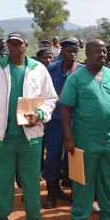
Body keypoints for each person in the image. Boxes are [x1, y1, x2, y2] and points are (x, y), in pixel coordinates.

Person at [0, 31, 58, 220]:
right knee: (2, 182)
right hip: (3, 137)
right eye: (11, 44)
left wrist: (40, 114)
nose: (14, 47)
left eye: (18, 44)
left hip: (30, 137)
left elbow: (50, 98)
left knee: (31, 182)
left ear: (26, 45)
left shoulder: (38, 69)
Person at [59, 40, 110, 220]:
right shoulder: (76, 78)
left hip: (109, 139)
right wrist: (68, 138)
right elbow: (65, 109)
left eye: (105, 51)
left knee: (107, 178)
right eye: (98, 51)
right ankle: (79, 217)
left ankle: (107, 217)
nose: (103, 55)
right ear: (88, 54)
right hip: (84, 138)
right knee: (83, 180)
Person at [43, 38, 83, 208]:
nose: (72, 54)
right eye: (69, 51)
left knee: (74, 157)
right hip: (54, 119)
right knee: (52, 156)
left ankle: (76, 194)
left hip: (76, 120)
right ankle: (52, 193)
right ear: (62, 51)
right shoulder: (50, 70)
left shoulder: (82, 71)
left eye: (75, 51)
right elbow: (42, 94)